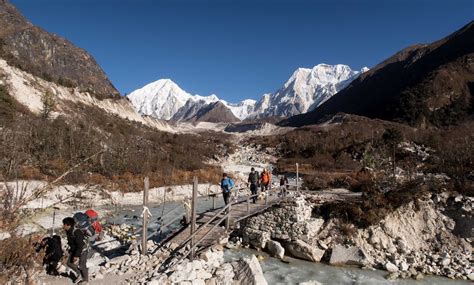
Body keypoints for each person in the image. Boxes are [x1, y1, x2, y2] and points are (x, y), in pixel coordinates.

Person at [63, 217, 89, 284]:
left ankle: (85, 280)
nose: (63, 226)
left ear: (68, 225)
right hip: (75, 249)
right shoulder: (68, 231)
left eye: (64, 224)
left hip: (83, 249)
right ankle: (79, 274)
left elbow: (80, 245)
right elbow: (72, 243)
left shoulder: (77, 232)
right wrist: (69, 251)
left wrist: (76, 255)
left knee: (82, 265)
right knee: (69, 263)